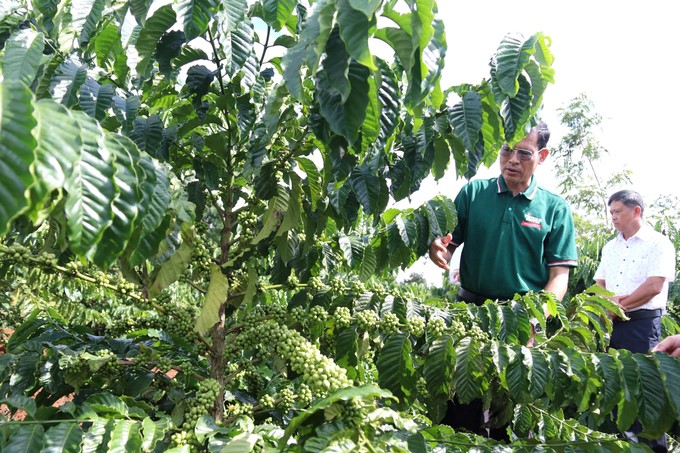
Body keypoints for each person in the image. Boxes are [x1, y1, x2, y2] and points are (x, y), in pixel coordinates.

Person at [428, 121, 578, 438]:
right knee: (460, 403)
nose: (512, 159)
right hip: (469, 312)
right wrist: (439, 250)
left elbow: (559, 277)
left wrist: (535, 321)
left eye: (523, 152)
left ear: (543, 156)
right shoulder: (473, 193)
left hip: (519, 319)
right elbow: (449, 244)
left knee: (504, 410)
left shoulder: (555, 208)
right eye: (507, 149)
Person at [594, 189, 676, 453]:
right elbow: (599, 284)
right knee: (617, 389)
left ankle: (653, 448)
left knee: (645, 392)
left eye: (618, 211)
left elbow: (653, 286)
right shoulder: (610, 246)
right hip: (613, 325)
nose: (613, 218)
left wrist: (618, 307)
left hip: (642, 325)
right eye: (611, 213)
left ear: (636, 210)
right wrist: (607, 306)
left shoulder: (658, 243)